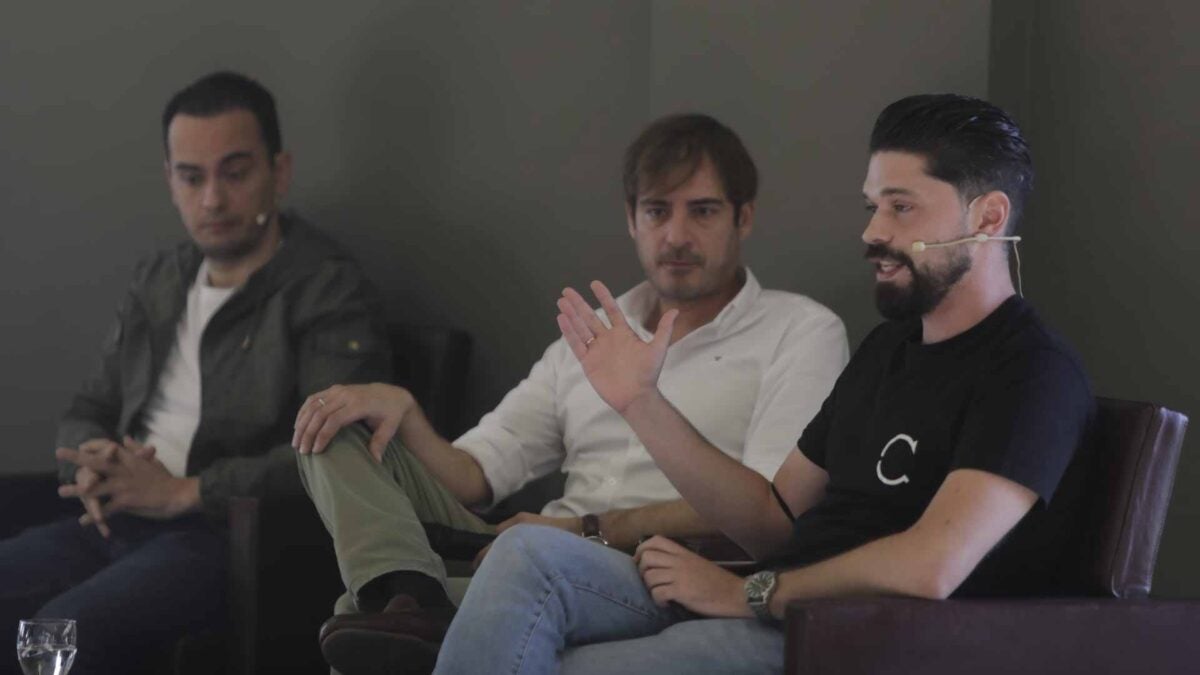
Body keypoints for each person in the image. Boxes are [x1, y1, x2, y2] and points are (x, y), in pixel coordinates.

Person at [433, 94, 1095, 675]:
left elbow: (932, 565)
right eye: (872, 206)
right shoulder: (888, 348)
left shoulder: (1032, 372)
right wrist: (642, 403)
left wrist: (751, 594)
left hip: (858, 640)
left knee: (558, 664)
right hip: (772, 603)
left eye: (902, 207)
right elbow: (775, 518)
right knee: (524, 553)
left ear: (987, 217)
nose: (873, 231)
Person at [290, 113, 848, 669]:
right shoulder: (593, 333)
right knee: (329, 425)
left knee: (382, 599)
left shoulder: (799, 331)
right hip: (524, 549)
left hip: (657, 568)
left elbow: (773, 507)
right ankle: (406, 591)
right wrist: (406, 412)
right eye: (657, 210)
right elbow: (476, 477)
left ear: (743, 218)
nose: (677, 236)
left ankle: (406, 603)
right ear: (631, 220)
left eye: (702, 211)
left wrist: (585, 530)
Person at [0, 71, 392, 675]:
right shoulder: (159, 278)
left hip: (219, 537)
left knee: (61, 633)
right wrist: (95, 459)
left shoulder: (324, 287)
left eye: (234, 173)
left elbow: (337, 448)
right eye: (192, 176)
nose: (212, 199)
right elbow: (90, 403)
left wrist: (189, 491)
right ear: (171, 182)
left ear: (277, 173)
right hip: (114, 515)